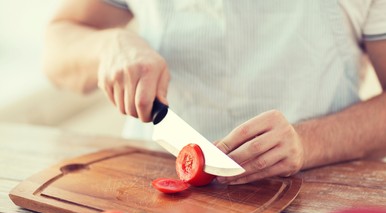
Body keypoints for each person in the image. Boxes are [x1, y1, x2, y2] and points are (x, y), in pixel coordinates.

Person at [43, 0, 386, 185]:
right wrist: (107, 46)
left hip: (312, 191)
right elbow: (56, 48)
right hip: (151, 180)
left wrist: (310, 142)